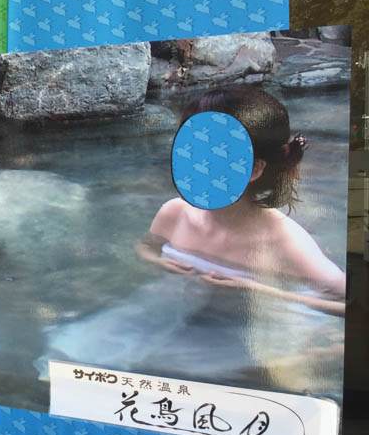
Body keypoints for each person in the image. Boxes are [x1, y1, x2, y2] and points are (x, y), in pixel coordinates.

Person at [135, 85, 346, 315]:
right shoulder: (175, 213)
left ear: (254, 169)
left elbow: (350, 306)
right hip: (176, 310)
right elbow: (146, 247)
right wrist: (158, 261)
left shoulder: (287, 242)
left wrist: (261, 291)